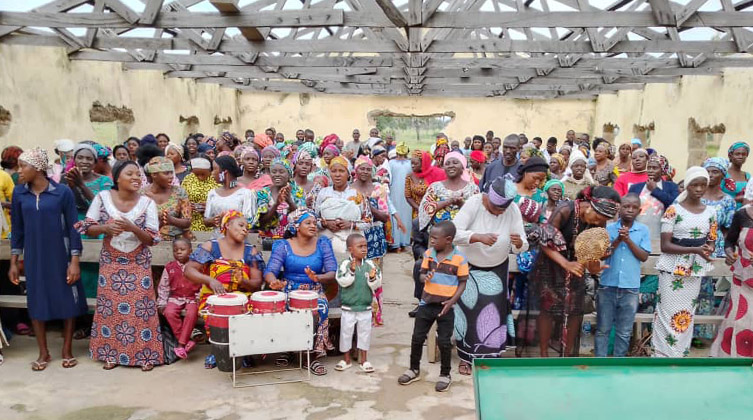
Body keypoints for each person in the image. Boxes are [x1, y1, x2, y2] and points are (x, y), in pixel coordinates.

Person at [77, 160, 164, 371]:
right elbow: (87, 228)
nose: (136, 178)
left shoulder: (147, 203)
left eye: (138, 174)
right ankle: (111, 353)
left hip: (138, 262)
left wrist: (132, 227)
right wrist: (106, 228)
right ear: (117, 178)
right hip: (111, 262)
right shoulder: (102, 198)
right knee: (111, 308)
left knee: (140, 309)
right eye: (130, 174)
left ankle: (145, 355)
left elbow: (152, 239)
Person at [9, 148, 86, 371]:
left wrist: (74, 260)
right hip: (34, 256)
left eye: (24, 166)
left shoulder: (62, 192)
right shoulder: (19, 193)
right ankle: (43, 352)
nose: (20, 171)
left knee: (67, 298)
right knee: (36, 299)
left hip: (60, 254)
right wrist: (14, 261)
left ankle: (67, 349)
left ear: (39, 168)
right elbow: (17, 229)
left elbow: (74, 228)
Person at [523, 186, 621, 357]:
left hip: (576, 264)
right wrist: (565, 264)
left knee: (576, 310)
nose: (599, 223)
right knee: (547, 310)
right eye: (598, 218)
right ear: (590, 206)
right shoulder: (565, 210)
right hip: (551, 263)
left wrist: (594, 267)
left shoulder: (599, 220)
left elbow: (591, 255)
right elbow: (544, 242)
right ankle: (544, 354)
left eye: (603, 220)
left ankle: (567, 356)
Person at [452, 178, 528, 375]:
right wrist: (478, 237)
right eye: (496, 207)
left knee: (494, 312)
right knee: (468, 312)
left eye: (503, 209)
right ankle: (466, 358)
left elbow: (522, 245)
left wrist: (519, 243)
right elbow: (452, 232)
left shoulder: (512, 210)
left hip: (497, 268)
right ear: (486, 197)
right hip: (469, 266)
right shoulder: (474, 204)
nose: (500, 212)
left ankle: (491, 356)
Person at [184, 210, 264, 369]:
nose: (245, 229)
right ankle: (218, 350)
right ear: (227, 225)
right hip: (214, 297)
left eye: (247, 227)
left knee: (247, 311)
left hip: (242, 296)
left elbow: (257, 283)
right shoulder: (211, 247)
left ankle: (243, 352)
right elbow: (189, 270)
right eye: (240, 225)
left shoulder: (251, 251)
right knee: (216, 311)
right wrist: (209, 280)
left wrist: (244, 282)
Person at [652, 167, 717, 357]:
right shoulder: (673, 210)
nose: (699, 189)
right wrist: (694, 249)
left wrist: (707, 250)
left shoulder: (711, 212)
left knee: (686, 315)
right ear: (687, 186)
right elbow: (665, 245)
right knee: (667, 312)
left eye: (702, 185)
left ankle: (680, 354)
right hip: (672, 268)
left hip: (694, 269)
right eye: (694, 185)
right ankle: (662, 355)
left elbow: (711, 241)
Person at [265, 209, 337, 375]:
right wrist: (273, 282)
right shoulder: (283, 245)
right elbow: (271, 270)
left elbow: (332, 272)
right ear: (297, 226)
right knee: (283, 307)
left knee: (319, 307)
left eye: (314, 223)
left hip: (315, 290)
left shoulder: (323, 243)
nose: (313, 226)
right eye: (308, 223)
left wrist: (317, 277)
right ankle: (287, 349)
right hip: (289, 289)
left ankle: (311, 357)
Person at [398, 221, 468, 393]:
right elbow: (421, 275)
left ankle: (445, 375)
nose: (432, 242)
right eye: (431, 238)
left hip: (446, 307)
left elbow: (463, 283)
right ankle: (413, 369)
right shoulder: (429, 254)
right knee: (417, 338)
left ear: (449, 240)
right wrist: (425, 277)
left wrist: (452, 302)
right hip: (426, 304)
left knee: (444, 342)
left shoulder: (459, 259)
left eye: (435, 239)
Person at [595, 194, 651, 357]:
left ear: (639, 210)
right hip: (608, 286)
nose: (629, 210)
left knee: (624, 331)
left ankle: (618, 362)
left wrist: (628, 240)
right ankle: (600, 363)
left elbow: (643, 256)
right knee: (602, 329)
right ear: (619, 208)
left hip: (630, 288)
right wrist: (618, 240)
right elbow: (602, 255)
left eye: (634, 207)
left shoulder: (643, 230)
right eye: (626, 206)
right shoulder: (609, 229)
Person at [334, 234, 382, 373]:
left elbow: (376, 284)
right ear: (351, 249)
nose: (364, 249)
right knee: (346, 333)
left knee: (364, 333)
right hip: (348, 307)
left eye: (365, 246)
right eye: (360, 246)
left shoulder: (371, 265)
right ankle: (346, 359)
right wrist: (352, 271)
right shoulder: (345, 264)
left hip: (365, 307)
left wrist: (372, 278)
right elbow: (343, 281)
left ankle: (364, 360)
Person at [714, 204, 753, 356]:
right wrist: (729, 253)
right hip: (742, 277)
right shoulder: (742, 214)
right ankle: (733, 359)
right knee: (738, 320)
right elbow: (730, 241)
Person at [157, 238, 200, 359]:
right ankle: (187, 340)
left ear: (190, 251)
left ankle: (181, 344)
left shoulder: (196, 266)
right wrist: (162, 303)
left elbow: (203, 284)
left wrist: (199, 297)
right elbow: (163, 286)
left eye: (182, 249)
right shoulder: (170, 267)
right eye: (175, 250)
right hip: (175, 297)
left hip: (193, 297)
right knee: (169, 312)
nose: (179, 252)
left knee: (192, 313)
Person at [418, 151, 479, 231]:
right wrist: (448, 202)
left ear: (463, 166)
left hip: (463, 237)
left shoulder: (473, 188)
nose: (451, 166)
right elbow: (425, 208)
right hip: (438, 237)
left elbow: (477, 213)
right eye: (447, 164)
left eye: (455, 162)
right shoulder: (435, 187)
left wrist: (461, 204)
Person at [628, 155, 679, 244]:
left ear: (662, 170)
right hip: (637, 233)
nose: (651, 170)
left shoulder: (671, 187)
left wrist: (655, 190)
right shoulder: (635, 188)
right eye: (649, 167)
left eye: (655, 168)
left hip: (661, 234)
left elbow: (674, 205)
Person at [255, 158, 305, 246]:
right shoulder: (263, 193)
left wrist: (290, 201)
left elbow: (303, 219)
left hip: (294, 241)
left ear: (289, 175)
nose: (277, 175)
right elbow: (261, 223)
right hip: (268, 242)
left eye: (281, 172)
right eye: (274, 172)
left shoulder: (298, 192)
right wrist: (276, 204)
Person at [204, 155, 256, 234]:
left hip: (238, 241)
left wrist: (227, 219)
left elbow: (249, 221)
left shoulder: (245, 194)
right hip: (217, 240)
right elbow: (206, 220)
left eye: (214, 169)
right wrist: (213, 220)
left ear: (224, 172)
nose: (212, 173)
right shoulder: (212, 193)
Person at [142, 157, 191, 240]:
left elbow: (187, 221)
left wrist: (171, 220)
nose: (171, 176)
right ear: (154, 175)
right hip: (149, 241)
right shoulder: (141, 195)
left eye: (172, 173)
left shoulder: (179, 192)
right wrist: (159, 222)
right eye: (166, 173)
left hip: (177, 243)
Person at [181, 157, 218, 233]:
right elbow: (181, 197)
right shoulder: (188, 179)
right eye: (196, 174)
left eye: (203, 174)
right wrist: (187, 205)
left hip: (211, 224)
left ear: (209, 171)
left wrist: (210, 207)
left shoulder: (215, 180)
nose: (200, 177)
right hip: (191, 223)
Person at [406, 150, 445, 220]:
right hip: (418, 212)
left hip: (435, 212)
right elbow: (408, 196)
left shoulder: (436, 174)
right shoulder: (410, 176)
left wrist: (429, 210)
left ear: (423, 164)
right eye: (411, 163)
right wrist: (420, 209)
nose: (412, 166)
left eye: (415, 164)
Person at [389, 142, 413, 252]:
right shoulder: (392, 163)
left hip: (403, 192)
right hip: (398, 192)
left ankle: (401, 242)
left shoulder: (408, 163)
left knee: (403, 216)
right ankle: (399, 242)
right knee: (399, 216)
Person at [723, 142, 750, 208]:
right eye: (737, 154)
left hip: (743, 214)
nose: (740, 156)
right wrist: (738, 199)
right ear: (730, 155)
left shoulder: (747, 176)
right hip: (726, 212)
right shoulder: (723, 174)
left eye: (744, 154)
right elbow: (715, 196)